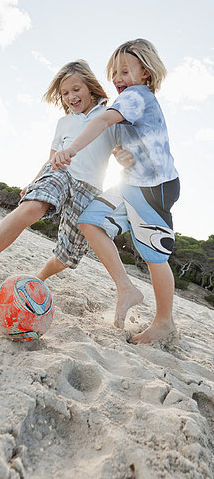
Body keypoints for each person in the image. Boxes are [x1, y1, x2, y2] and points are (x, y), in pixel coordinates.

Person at [0, 60, 141, 327]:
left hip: (90, 189)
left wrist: (125, 158)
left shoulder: (108, 115)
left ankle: (38, 278)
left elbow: (120, 152)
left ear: (91, 88)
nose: (70, 97)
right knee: (31, 207)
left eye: (76, 89)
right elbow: (52, 158)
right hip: (61, 173)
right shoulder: (64, 122)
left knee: (66, 257)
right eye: (65, 93)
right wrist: (34, 182)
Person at [51, 39, 180, 344]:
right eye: (114, 72)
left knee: (154, 255)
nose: (118, 78)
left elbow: (105, 119)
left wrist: (70, 149)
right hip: (132, 182)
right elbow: (126, 145)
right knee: (89, 221)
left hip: (154, 187)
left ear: (145, 73)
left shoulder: (137, 95)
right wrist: (124, 155)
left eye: (125, 70)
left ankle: (164, 322)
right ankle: (126, 288)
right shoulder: (128, 102)